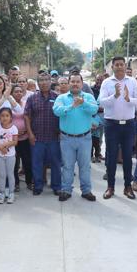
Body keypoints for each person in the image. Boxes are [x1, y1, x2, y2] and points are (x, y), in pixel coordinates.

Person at [98, 56, 137, 199]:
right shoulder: (106, 82)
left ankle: (128, 187)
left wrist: (129, 99)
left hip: (128, 124)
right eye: (116, 65)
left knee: (128, 157)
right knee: (111, 156)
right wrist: (115, 95)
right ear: (112, 67)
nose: (119, 67)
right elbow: (102, 103)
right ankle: (110, 187)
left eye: (121, 64)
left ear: (125, 66)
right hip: (111, 124)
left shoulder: (132, 81)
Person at [53, 72, 98, 202]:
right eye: (72, 81)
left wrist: (83, 104)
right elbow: (56, 111)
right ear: (69, 83)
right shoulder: (62, 98)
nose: (75, 84)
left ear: (82, 84)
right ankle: (66, 190)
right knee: (67, 166)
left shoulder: (88, 97)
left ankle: (86, 191)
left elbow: (94, 110)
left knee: (85, 166)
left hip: (85, 138)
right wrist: (71, 106)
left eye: (78, 81)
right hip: (66, 138)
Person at [24, 71, 62, 196]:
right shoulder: (32, 98)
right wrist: (30, 134)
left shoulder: (57, 98)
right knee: (37, 163)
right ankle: (38, 186)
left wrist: (61, 132)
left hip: (54, 137)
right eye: (41, 80)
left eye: (46, 80)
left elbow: (62, 116)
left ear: (50, 82)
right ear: (38, 83)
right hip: (37, 137)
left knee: (55, 163)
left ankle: (56, 186)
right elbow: (27, 116)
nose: (44, 82)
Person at [0, 106, 19, 204]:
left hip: (10, 155)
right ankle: (2, 193)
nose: (5, 118)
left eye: (7, 115)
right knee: (2, 174)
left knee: (10, 174)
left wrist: (5, 145)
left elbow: (15, 142)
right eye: (2, 116)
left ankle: (11, 193)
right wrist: (0, 147)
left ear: (11, 117)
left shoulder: (14, 128)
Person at [10, 85, 31, 192]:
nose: (18, 93)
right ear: (11, 94)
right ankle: (16, 183)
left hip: (25, 137)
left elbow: (29, 117)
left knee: (27, 161)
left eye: (20, 91)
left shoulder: (26, 103)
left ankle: (29, 182)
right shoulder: (8, 104)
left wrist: (27, 130)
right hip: (13, 139)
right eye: (16, 91)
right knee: (14, 163)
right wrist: (15, 133)